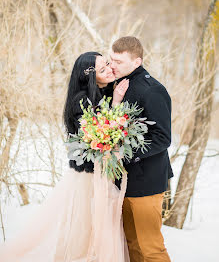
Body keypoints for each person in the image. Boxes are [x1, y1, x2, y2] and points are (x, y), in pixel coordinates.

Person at [0, 52, 130, 262]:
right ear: (89, 76)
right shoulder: (81, 100)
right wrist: (116, 103)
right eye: (102, 69)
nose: (109, 69)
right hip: (87, 177)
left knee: (100, 228)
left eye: (107, 63)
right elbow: (97, 134)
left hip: (101, 173)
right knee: (84, 230)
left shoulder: (102, 91)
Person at [110, 36, 173, 262]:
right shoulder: (116, 85)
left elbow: (163, 138)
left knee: (151, 248)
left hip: (147, 180)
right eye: (111, 60)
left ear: (137, 62)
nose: (113, 65)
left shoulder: (152, 90)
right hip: (123, 181)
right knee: (132, 245)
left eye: (119, 61)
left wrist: (125, 154)